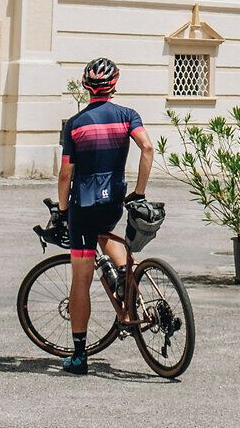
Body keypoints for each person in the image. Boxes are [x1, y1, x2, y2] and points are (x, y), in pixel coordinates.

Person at [57, 57, 155, 375]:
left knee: (81, 279)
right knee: (107, 234)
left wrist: (62, 210)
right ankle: (129, 285)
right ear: (115, 84)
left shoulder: (75, 124)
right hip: (113, 200)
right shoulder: (128, 116)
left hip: (83, 205)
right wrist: (139, 192)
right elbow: (147, 148)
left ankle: (79, 356)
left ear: (86, 86)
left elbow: (65, 175)